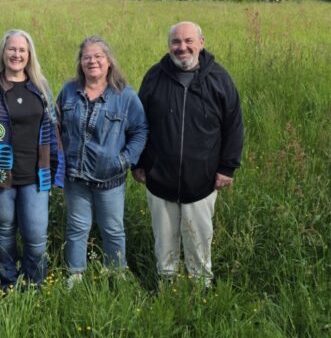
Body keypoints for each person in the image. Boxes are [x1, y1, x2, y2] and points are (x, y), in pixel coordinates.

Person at [132, 21, 243, 287]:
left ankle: (200, 286)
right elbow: (138, 123)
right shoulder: (154, 77)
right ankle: (166, 283)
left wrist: (227, 168)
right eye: (176, 42)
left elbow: (234, 124)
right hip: (159, 177)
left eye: (188, 41)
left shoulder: (219, 78)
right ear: (169, 45)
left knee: (198, 237)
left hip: (202, 180)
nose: (182, 47)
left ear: (201, 43)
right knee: (165, 238)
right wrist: (137, 163)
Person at [0, 29, 64, 290]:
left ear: (29, 54)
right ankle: (8, 285)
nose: (16, 54)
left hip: (36, 176)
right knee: (4, 233)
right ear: (3, 53)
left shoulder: (41, 86)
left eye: (21, 50)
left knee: (36, 237)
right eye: (11, 49)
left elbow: (54, 132)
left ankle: (34, 286)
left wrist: (57, 171)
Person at [56, 36, 148, 286]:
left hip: (110, 179)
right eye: (87, 57)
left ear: (109, 62)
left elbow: (140, 130)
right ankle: (75, 276)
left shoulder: (125, 95)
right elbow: (56, 127)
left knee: (113, 230)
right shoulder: (68, 91)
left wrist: (124, 160)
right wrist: (60, 159)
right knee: (77, 229)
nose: (92, 61)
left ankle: (116, 274)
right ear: (80, 62)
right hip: (76, 177)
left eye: (98, 56)